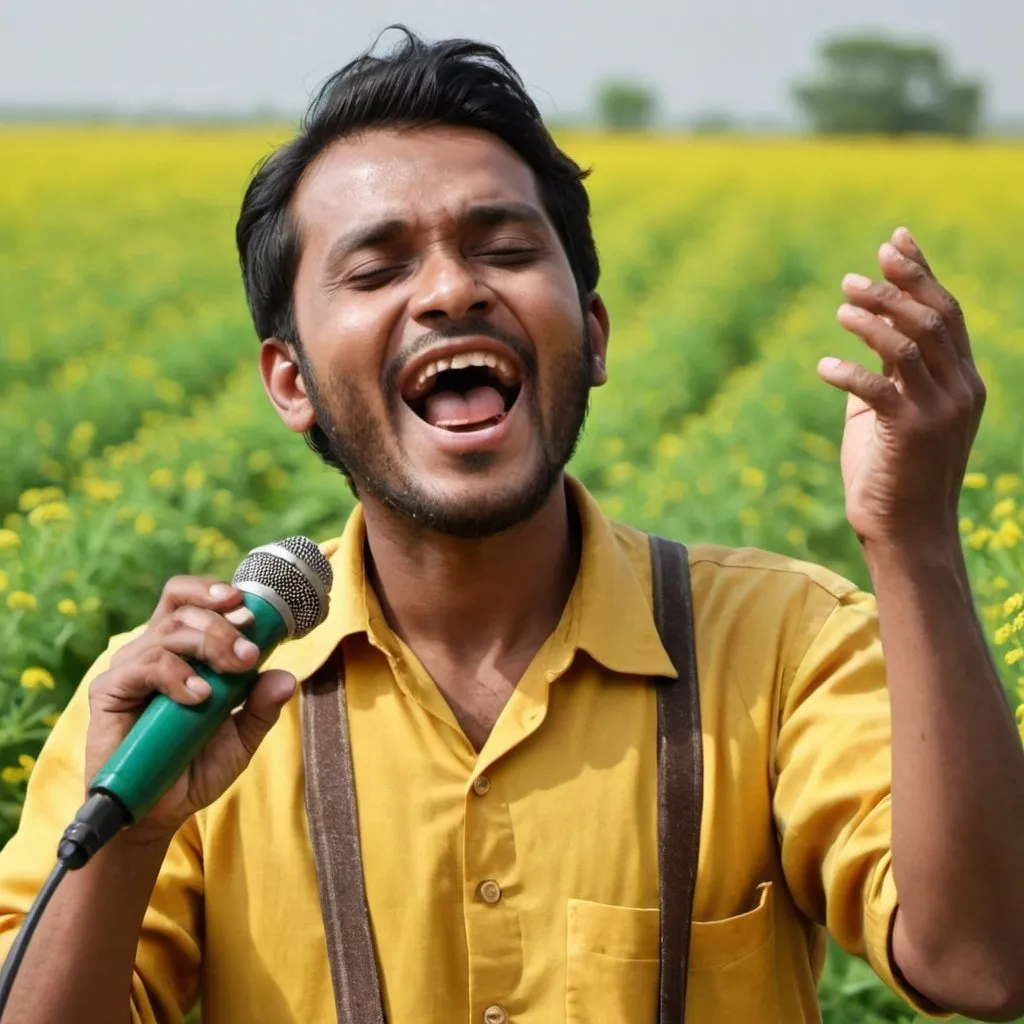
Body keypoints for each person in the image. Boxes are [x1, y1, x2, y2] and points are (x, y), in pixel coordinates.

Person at [1, 26, 1023, 1024]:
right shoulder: (178, 706)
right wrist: (128, 835)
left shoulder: (782, 644)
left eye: (502, 247)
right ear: (291, 381)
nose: (451, 290)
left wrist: (914, 539)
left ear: (592, 333)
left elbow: (981, 965)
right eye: (376, 269)